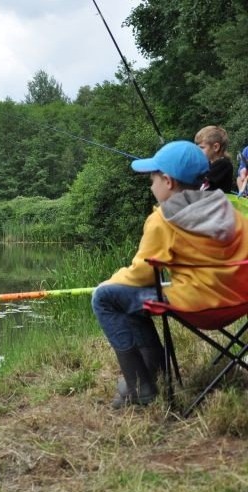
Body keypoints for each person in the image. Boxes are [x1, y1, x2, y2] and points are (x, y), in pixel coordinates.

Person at [91, 140, 248, 409]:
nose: (150, 184)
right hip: (239, 302)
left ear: (167, 181)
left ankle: (141, 386)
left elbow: (141, 274)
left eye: (152, 177)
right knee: (134, 298)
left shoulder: (163, 219)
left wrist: (112, 279)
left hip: (198, 306)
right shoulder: (228, 210)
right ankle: (154, 374)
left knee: (105, 297)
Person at [194, 125, 234, 192]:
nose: (198, 151)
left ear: (215, 147)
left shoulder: (223, 164)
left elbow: (202, 183)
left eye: (202, 147)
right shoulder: (209, 163)